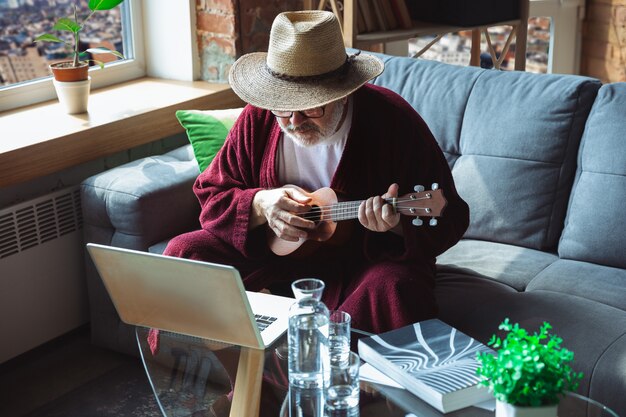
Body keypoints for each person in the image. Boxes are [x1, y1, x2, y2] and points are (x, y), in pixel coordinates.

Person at [164, 10, 469, 334]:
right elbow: (212, 193)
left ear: (342, 92)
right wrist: (260, 204)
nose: (294, 121)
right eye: (283, 107)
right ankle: (200, 371)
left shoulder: (391, 121)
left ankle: (331, 376)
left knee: (394, 288)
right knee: (186, 251)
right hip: (271, 259)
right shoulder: (259, 118)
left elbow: (449, 216)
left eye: (312, 107)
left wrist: (394, 228)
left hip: (359, 268)